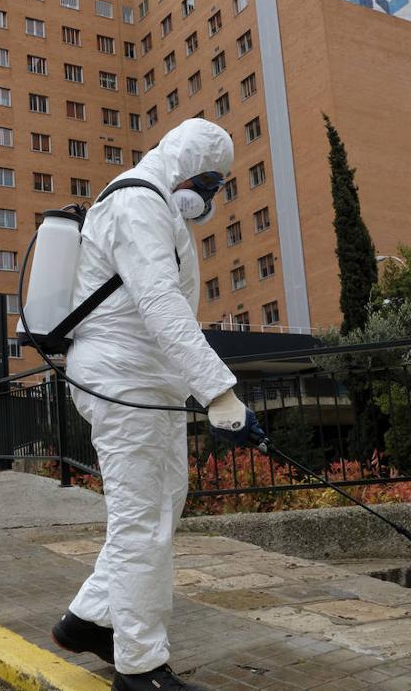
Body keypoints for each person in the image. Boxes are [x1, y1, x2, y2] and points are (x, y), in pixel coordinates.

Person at [50, 119, 260, 691]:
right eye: (210, 181)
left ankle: (88, 620)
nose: (212, 196)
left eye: (219, 186)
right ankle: (140, 668)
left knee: (162, 503)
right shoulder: (139, 201)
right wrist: (219, 392)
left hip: (145, 382)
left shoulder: (157, 205)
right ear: (183, 162)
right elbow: (162, 306)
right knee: (141, 520)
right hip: (125, 383)